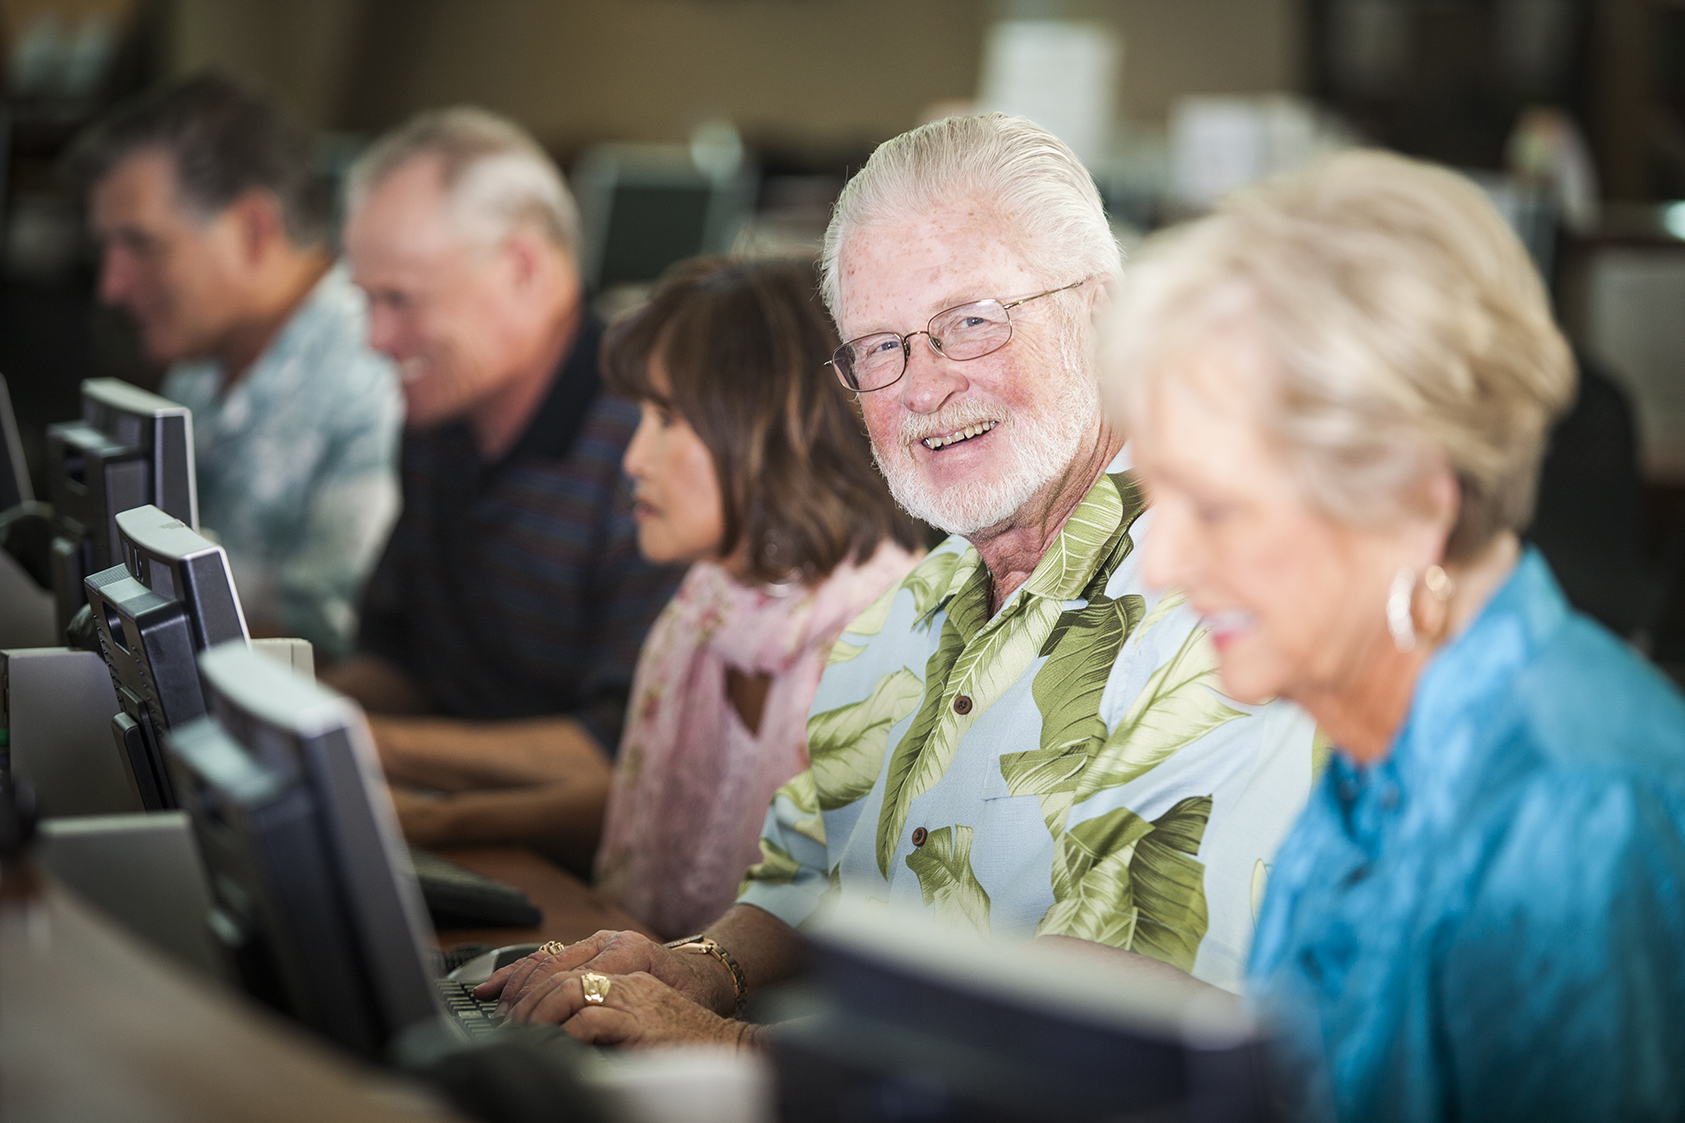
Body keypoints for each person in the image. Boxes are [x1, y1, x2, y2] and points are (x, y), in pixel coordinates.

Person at [474, 114, 1318, 1047]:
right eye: (879, 346)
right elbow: (812, 872)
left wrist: (722, 1042)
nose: (922, 387)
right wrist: (697, 966)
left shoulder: (1220, 617)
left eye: (969, 322)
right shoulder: (908, 608)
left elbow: (1100, 1040)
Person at [1101, 150, 1685, 1120]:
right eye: (1153, 499)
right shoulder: (1373, 756)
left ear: (1415, 502)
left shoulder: (1569, 813)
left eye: (1213, 508)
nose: (1159, 564)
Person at [327, 108, 684, 868]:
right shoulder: (440, 417)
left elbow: (619, 752)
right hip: (470, 840)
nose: (374, 338)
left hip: (568, 876)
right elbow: (405, 661)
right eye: (367, 300)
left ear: (522, 268)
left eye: (402, 299)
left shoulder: (649, 445)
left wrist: (360, 743)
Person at [592, 255, 922, 939]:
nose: (633, 460)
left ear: (768, 424)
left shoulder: (887, 637)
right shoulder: (705, 603)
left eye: (665, 418)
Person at [76, 72, 401, 661]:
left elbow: (327, 642)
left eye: (141, 245)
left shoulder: (371, 374)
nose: (112, 285)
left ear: (253, 230)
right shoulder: (200, 362)